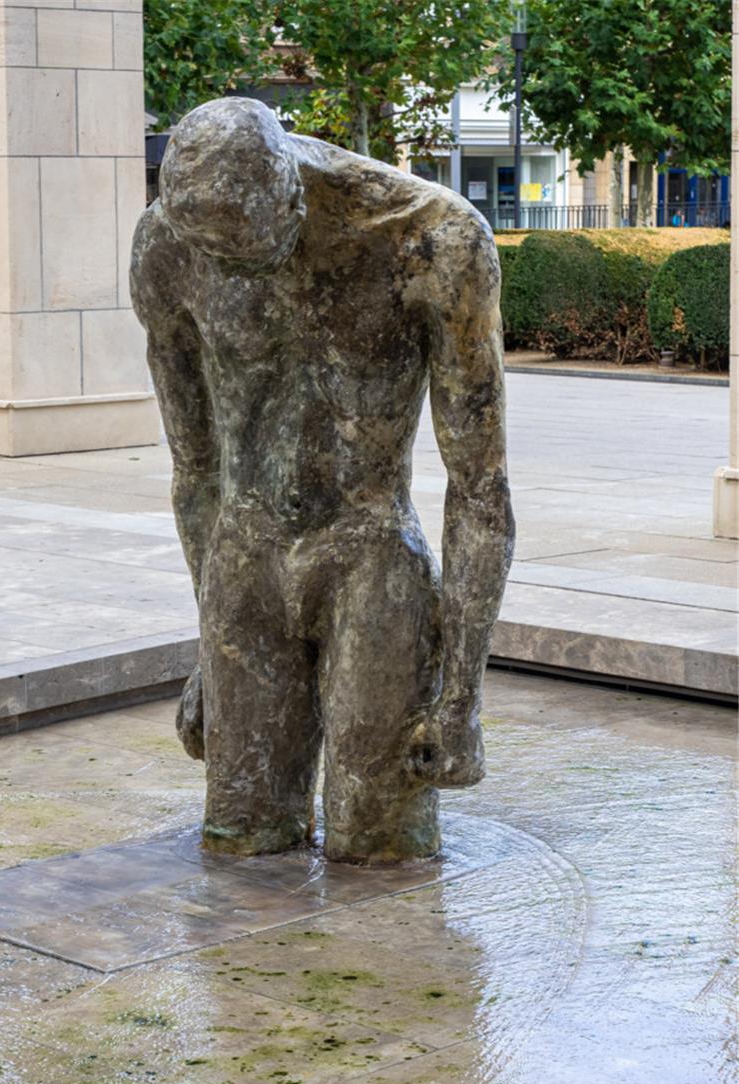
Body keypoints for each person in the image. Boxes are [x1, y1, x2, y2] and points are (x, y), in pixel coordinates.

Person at [131, 98, 514, 864]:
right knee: (239, 841)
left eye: (250, 251)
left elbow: (479, 487)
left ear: (290, 193)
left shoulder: (432, 240)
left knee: (381, 851)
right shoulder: (166, 246)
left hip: (369, 558)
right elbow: (196, 469)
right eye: (216, 256)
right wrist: (211, 648)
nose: (233, 271)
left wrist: (460, 696)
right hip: (244, 564)